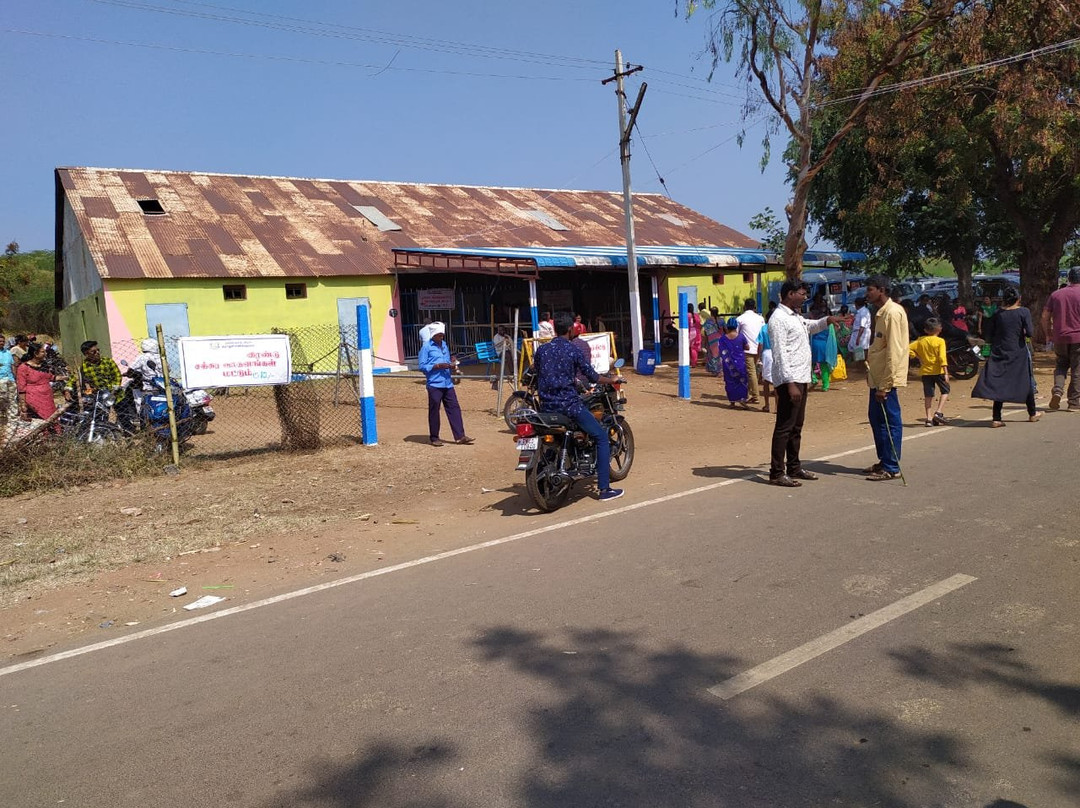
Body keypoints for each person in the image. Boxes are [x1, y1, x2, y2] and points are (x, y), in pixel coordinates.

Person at [533, 312, 624, 501]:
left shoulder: (542, 350)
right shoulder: (573, 350)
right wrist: (612, 378)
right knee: (600, 436)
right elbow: (593, 376)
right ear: (570, 329)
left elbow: (535, 371)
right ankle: (605, 489)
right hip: (569, 406)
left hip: (546, 407)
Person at [767, 282, 841, 487]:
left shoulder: (796, 316)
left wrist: (827, 320)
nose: (805, 297)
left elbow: (810, 327)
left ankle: (794, 466)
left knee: (796, 426)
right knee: (784, 426)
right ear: (790, 294)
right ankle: (776, 472)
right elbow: (780, 354)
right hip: (789, 379)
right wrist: (790, 383)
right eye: (802, 293)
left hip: (802, 377)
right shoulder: (779, 319)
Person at [864, 275, 909, 481]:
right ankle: (884, 460)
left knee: (890, 421)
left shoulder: (892, 312)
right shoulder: (880, 313)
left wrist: (886, 384)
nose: (868, 293)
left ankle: (892, 466)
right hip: (876, 376)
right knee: (876, 419)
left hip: (885, 380)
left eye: (870, 289)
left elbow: (895, 351)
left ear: (881, 290)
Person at [973, 287, 1040, 426]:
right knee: (1025, 380)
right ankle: (1032, 413)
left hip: (999, 351)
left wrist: (987, 352)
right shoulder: (1024, 312)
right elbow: (1030, 333)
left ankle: (996, 418)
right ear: (1018, 298)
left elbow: (989, 333)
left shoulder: (998, 313)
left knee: (1000, 382)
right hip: (1018, 351)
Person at [417, 322, 474, 447]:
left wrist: (452, 363)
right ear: (433, 335)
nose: (441, 338)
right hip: (434, 384)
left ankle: (460, 436)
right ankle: (434, 437)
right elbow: (421, 366)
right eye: (438, 336)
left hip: (447, 383)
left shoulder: (444, 346)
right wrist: (436, 366)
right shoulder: (426, 347)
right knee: (434, 411)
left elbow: (447, 361)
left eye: (442, 335)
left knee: (454, 408)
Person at [67, 340, 137, 433]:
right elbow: (74, 378)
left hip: (116, 394)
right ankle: (103, 432)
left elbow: (117, 375)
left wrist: (114, 387)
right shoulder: (83, 367)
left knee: (123, 415)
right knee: (100, 416)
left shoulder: (108, 362)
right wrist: (67, 389)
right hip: (100, 396)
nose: (97, 353)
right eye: (94, 352)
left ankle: (129, 433)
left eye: (98, 350)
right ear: (86, 354)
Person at [1040, 266, 1080, 411]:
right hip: (1078, 338)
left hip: (1060, 337)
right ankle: (1074, 403)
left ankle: (1057, 390)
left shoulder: (1056, 294)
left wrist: (1048, 334)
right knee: (1077, 370)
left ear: (1069, 278)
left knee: (1061, 365)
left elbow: (1044, 317)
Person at [909, 317, 951, 427]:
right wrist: (946, 372)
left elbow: (907, 348)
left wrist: (917, 356)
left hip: (926, 372)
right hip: (939, 371)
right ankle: (938, 412)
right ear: (939, 329)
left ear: (926, 330)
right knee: (945, 391)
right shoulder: (940, 341)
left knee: (928, 395)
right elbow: (942, 357)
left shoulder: (920, 340)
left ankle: (928, 418)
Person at [16, 341, 59, 428]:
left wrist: (66, 377)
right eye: (43, 352)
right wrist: (23, 405)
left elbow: (51, 377)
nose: (45, 354)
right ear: (35, 354)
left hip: (47, 399)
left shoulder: (44, 366)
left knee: (52, 420)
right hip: (33, 400)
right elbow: (21, 388)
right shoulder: (23, 368)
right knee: (41, 423)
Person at [736, 298, 766, 403]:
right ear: (754, 307)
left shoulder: (740, 319)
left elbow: (736, 335)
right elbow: (763, 333)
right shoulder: (760, 319)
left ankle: (755, 396)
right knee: (753, 371)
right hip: (759, 347)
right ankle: (749, 392)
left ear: (744, 306)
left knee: (750, 372)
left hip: (746, 349)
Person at [717, 317, 751, 408]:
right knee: (742, 380)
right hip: (740, 363)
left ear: (727, 327)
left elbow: (720, 351)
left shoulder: (722, 339)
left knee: (730, 382)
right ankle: (742, 399)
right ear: (736, 326)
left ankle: (732, 402)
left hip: (728, 365)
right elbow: (747, 347)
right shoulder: (741, 337)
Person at [810, 318, 839, 391]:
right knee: (824, 366)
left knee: (810, 364)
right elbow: (832, 335)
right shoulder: (829, 325)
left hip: (814, 345)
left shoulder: (814, 323)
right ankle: (825, 385)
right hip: (825, 346)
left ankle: (814, 379)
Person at [848, 296, 871, 369]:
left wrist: (858, 337)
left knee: (860, 349)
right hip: (857, 332)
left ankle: (861, 366)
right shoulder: (860, 312)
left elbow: (862, 326)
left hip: (861, 333)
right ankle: (860, 364)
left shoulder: (863, 312)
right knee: (856, 348)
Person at [0, 333, 16, 431]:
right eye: (0, 341)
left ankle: (12, 422)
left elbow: (13, 365)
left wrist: (15, 378)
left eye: (3, 341)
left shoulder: (8, 352)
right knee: (2, 398)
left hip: (10, 379)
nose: (1, 343)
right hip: (0, 380)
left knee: (12, 400)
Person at [757, 319, 774, 413]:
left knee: (766, 381)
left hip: (767, 353)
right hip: (777, 352)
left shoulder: (764, 328)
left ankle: (767, 405)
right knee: (777, 381)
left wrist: (758, 356)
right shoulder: (778, 327)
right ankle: (776, 406)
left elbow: (760, 343)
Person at [702, 307, 724, 376]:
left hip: (711, 341)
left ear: (711, 313)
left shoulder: (708, 322)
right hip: (720, 340)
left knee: (712, 355)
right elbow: (726, 330)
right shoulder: (722, 321)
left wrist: (704, 342)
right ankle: (720, 370)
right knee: (720, 355)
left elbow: (705, 332)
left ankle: (715, 370)